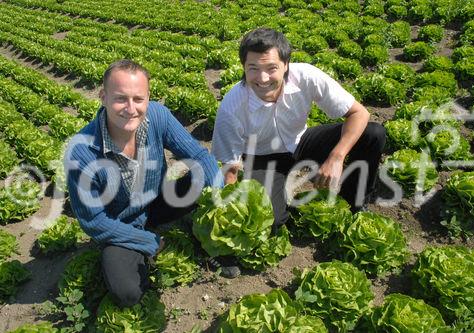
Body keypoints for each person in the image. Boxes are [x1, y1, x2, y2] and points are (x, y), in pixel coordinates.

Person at [64, 59, 234, 308]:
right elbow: (94, 222)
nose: (130, 108)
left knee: (203, 177)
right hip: (118, 222)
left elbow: (199, 157)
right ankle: (140, 250)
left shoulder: (157, 116)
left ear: (148, 98)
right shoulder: (81, 152)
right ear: (103, 96)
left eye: (138, 99)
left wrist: (216, 200)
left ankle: (208, 243)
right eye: (121, 98)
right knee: (127, 293)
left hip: (157, 201)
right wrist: (149, 241)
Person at [212, 28, 386, 228]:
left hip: (301, 141)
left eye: (271, 68)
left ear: (286, 65)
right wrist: (231, 206)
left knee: (373, 134)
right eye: (253, 68)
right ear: (243, 67)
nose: (263, 78)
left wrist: (336, 158)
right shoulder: (232, 105)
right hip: (262, 156)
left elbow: (359, 113)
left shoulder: (306, 76)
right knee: (272, 219)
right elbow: (230, 166)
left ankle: (353, 203)